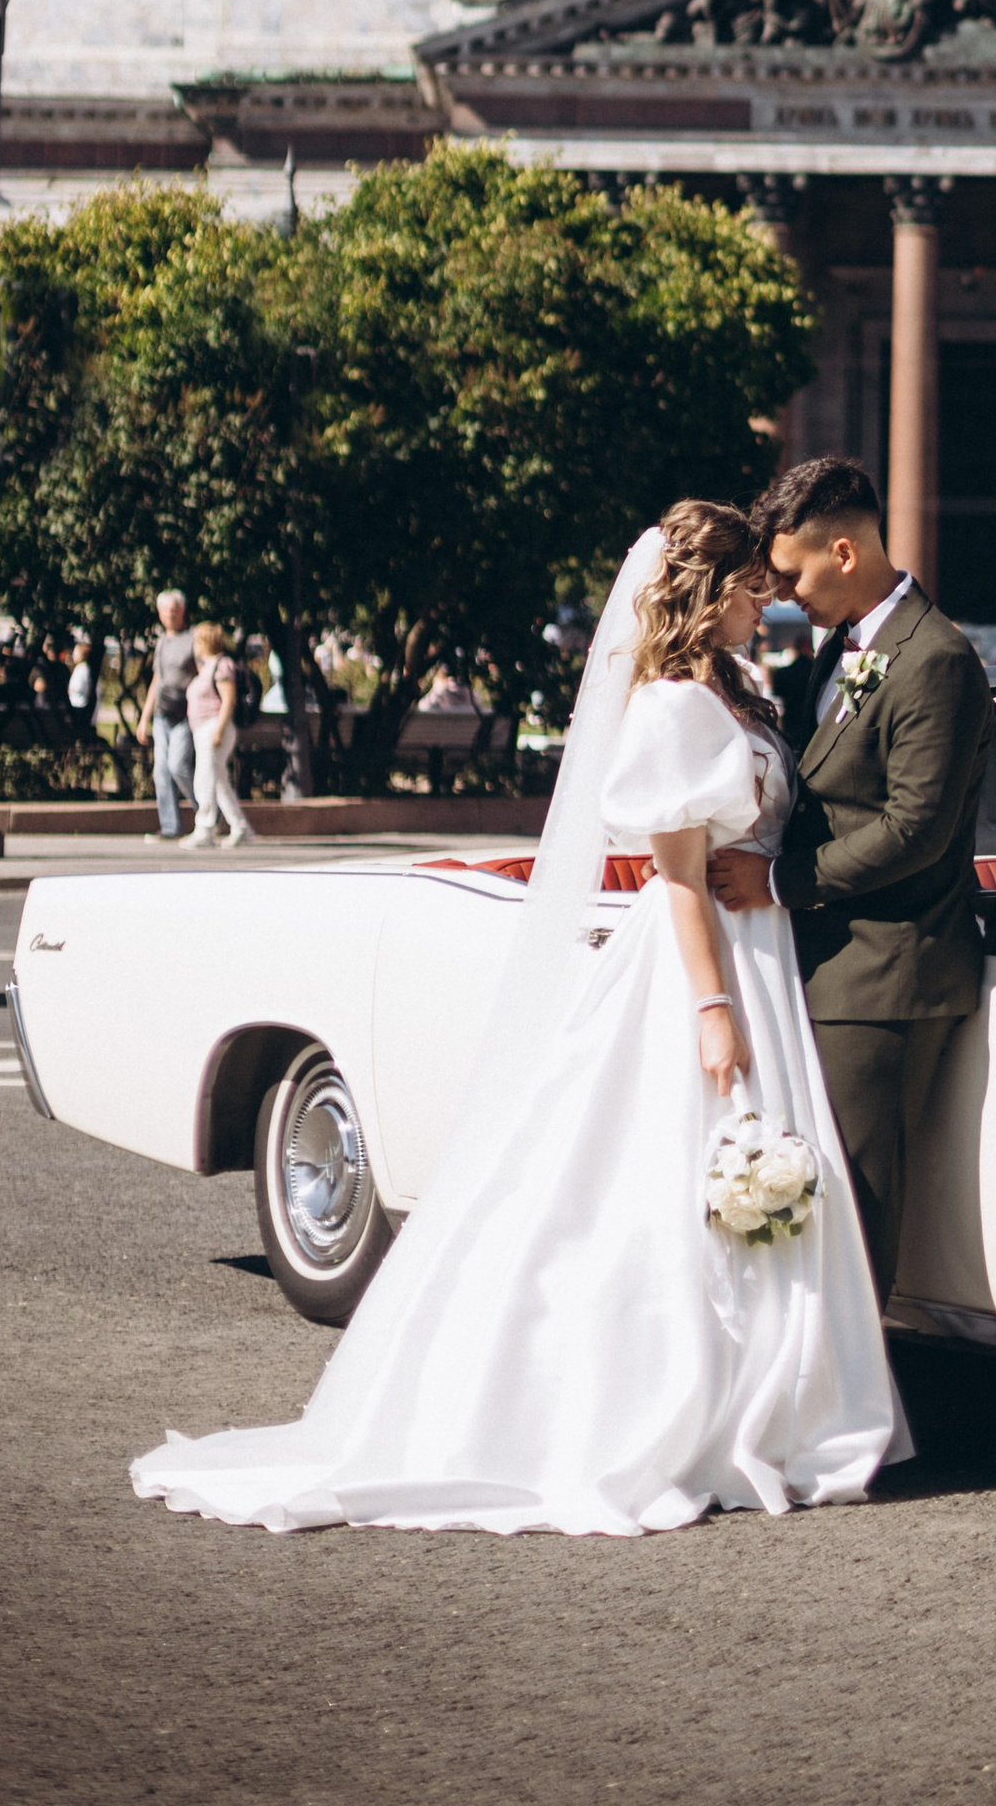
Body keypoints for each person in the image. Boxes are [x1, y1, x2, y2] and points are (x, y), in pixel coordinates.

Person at [131, 498, 897, 1531]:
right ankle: (658, 1410)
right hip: (699, 963)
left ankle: (758, 1406)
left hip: (753, 946)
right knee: (663, 1181)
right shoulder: (671, 705)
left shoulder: (731, 691)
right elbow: (676, 879)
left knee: (719, 1178)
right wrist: (712, 1006)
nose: (766, 608)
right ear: (709, 592)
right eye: (752, 590)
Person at [728, 454, 995, 1320]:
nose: (782, 594)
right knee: (807, 1195)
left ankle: (854, 1420)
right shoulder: (838, 650)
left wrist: (776, 881)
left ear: (843, 552)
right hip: (818, 959)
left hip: (885, 974)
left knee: (856, 1204)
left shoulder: (935, 659)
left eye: (794, 573)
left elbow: (916, 829)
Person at [181, 627, 254, 850]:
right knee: (219, 780)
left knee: (205, 778)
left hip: (213, 728)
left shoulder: (222, 665)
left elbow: (228, 700)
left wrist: (219, 731)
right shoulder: (208, 666)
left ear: (205, 641)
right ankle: (240, 826)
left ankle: (204, 828)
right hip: (205, 729)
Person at [136, 594, 198, 838]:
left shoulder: (192, 638)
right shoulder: (161, 640)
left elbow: (203, 672)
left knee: (178, 765)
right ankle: (171, 827)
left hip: (184, 714)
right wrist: (144, 717)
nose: (170, 615)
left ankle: (207, 815)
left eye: (174, 610)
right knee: (161, 770)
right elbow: (157, 680)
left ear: (182, 610)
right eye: (164, 611)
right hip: (162, 715)